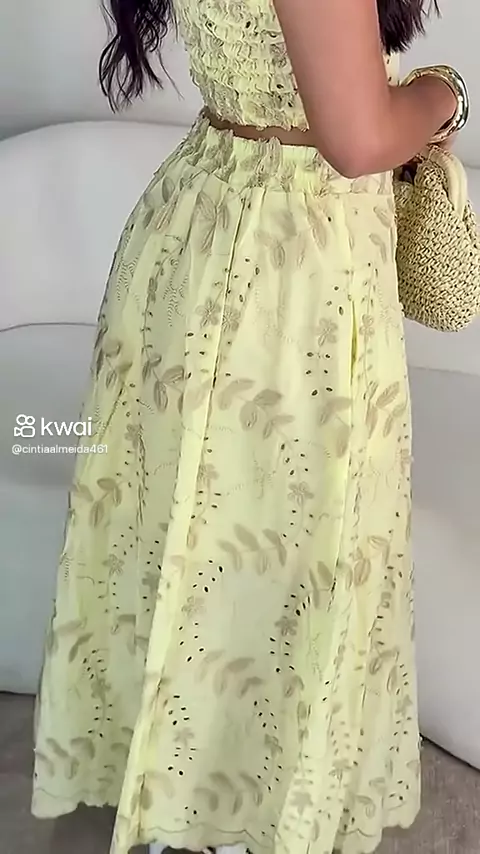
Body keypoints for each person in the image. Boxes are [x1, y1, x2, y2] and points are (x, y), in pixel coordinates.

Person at [32, 2, 460, 853]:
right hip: (290, 264)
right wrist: (444, 94)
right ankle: (236, 822)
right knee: (286, 543)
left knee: (197, 532)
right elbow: (358, 139)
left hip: (210, 222)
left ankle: (183, 809)